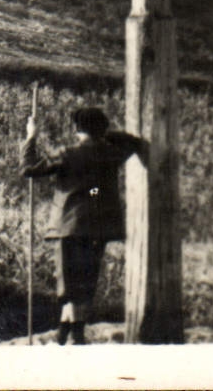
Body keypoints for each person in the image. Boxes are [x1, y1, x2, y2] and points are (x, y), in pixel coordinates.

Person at [21, 105, 146, 344]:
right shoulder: (112, 152)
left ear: (77, 129)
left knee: (68, 284)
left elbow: (29, 168)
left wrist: (31, 136)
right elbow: (132, 141)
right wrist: (102, 136)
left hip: (69, 225)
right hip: (99, 227)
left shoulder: (68, 154)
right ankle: (67, 331)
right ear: (102, 128)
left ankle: (73, 335)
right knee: (86, 281)